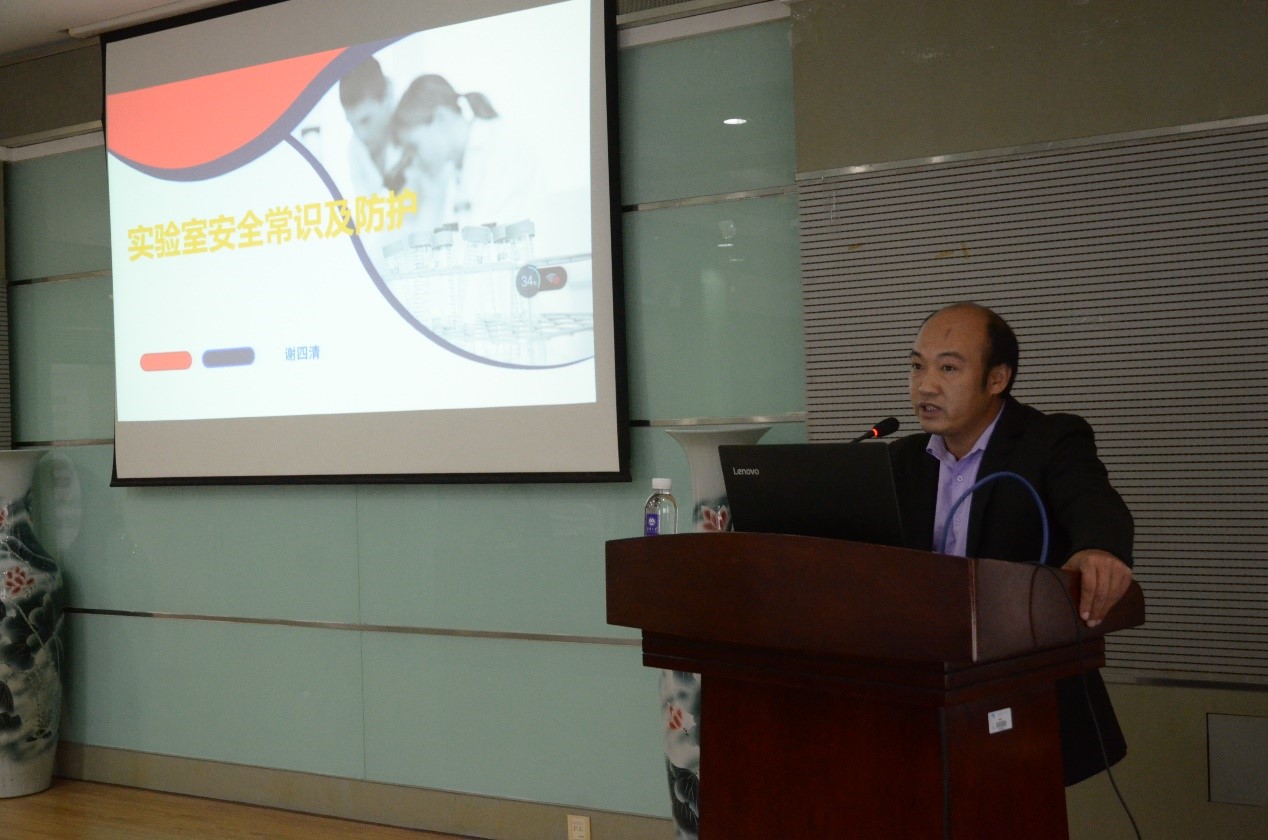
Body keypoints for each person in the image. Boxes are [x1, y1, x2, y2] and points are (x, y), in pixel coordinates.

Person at [888, 302, 1135, 786]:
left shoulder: (1050, 440)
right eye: (917, 366)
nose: (925, 386)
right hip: (921, 702)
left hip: (1025, 696)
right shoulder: (902, 460)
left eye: (948, 368)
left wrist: (1099, 548)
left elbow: (1092, 501)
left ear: (997, 379)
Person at [391, 74, 536, 234]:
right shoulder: (451, 171)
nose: (414, 160)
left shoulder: (502, 147)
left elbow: (488, 234)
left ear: (440, 118)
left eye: (414, 147)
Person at [338, 57, 409, 196]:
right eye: (352, 124)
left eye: (366, 120)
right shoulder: (355, 148)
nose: (361, 135)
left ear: (388, 94)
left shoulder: (417, 132)